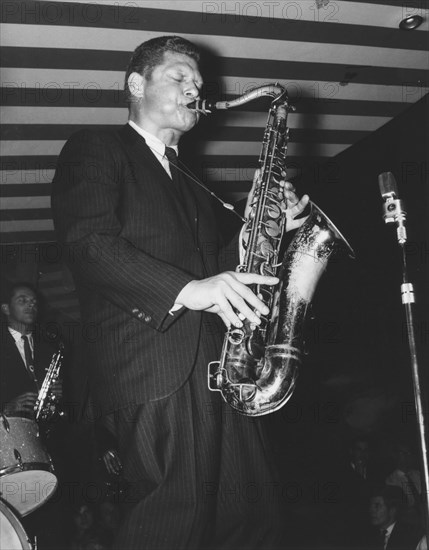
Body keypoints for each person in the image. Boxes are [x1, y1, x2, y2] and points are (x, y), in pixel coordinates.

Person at [51, 35, 308, 549]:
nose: (195, 89)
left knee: (252, 516)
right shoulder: (95, 148)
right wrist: (187, 288)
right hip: (151, 366)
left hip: (219, 369)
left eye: (198, 82)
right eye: (179, 77)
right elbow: (87, 244)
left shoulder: (191, 182)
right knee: (173, 523)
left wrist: (267, 227)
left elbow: (215, 273)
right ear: (135, 85)